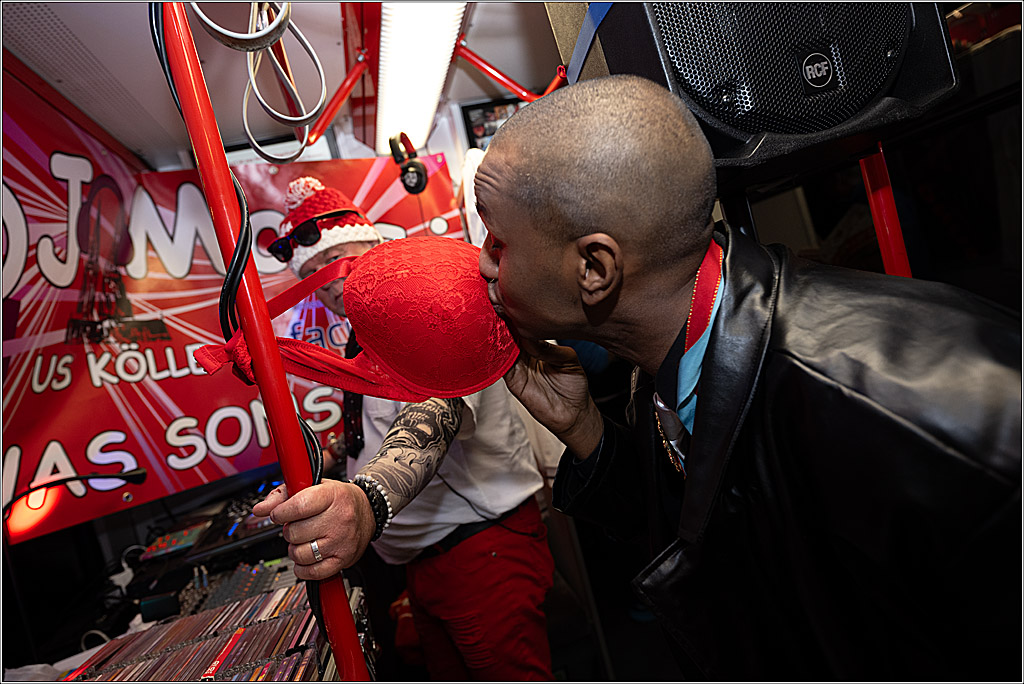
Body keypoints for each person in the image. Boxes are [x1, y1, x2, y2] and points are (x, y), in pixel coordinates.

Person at [473, 74, 1021, 680]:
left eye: (498, 242)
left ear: (594, 268)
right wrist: (585, 431)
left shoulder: (888, 405)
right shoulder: (665, 352)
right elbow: (723, 543)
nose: (482, 263)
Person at [252, 177, 556, 681]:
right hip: (427, 562)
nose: (330, 289)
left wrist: (366, 501)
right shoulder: (367, 325)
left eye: (335, 266)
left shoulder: (424, 296)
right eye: (313, 279)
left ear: (372, 247)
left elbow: (437, 410)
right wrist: (329, 461)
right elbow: (385, 419)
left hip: (480, 552)